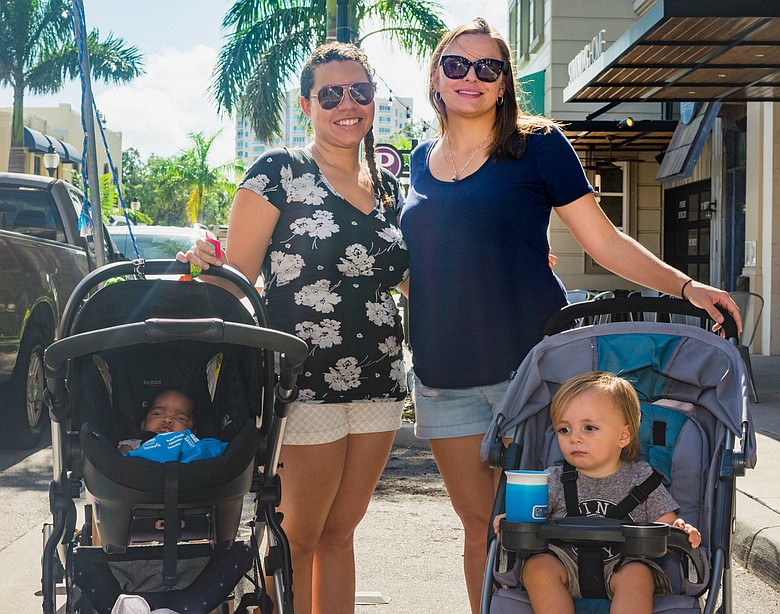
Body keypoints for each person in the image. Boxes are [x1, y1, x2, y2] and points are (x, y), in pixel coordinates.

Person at [398, 17, 739, 612]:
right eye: (456, 64)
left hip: (533, 371)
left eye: (488, 67)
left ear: (504, 83)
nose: (470, 77)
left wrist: (686, 288)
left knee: (556, 526)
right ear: (435, 76)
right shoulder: (418, 162)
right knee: (483, 528)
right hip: (442, 372)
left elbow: (603, 242)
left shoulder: (540, 145)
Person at [177, 42, 408, 614]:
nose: (346, 104)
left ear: (374, 100)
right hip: (301, 382)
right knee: (299, 535)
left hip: (379, 382)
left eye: (360, 91)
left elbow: (412, 282)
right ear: (307, 105)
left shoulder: (388, 187)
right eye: (330, 94)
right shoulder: (278, 172)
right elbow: (237, 280)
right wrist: (205, 263)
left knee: (342, 531)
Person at [493, 372, 701, 614]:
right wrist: (511, 521)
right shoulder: (553, 479)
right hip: (564, 564)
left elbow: (666, 525)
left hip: (623, 566)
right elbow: (530, 517)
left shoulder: (642, 478)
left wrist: (681, 528)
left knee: (638, 575)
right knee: (537, 567)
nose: (575, 438)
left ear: (623, 436)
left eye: (589, 428)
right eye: (564, 430)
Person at [117, 388, 195, 454]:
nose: (167, 419)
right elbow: (119, 463)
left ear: (192, 432)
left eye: (180, 418)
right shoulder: (133, 445)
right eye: (157, 414)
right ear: (143, 425)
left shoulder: (193, 448)